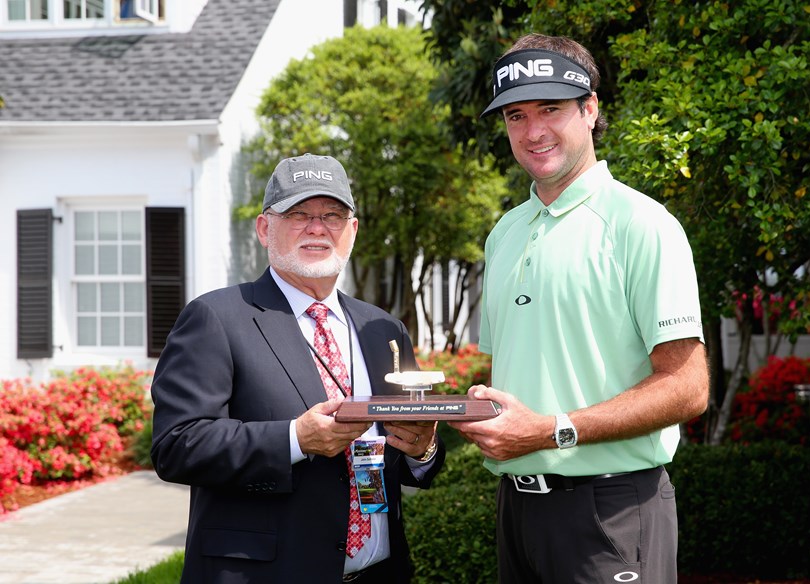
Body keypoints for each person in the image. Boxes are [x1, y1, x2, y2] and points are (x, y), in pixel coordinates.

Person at [448, 33, 710, 583]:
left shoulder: (642, 224)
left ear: (590, 109)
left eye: (551, 108)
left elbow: (688, 388)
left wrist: (552, 431)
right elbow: (526, 378)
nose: (533, 130)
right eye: (516, 115)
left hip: (612, 510)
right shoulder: (504, 234)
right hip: (515, 509)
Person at [151, 153, 444, 584]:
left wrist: (423, 449)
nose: (317, 228)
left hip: (380, 573)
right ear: (265, 228)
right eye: (299, 214)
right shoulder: (216, 317)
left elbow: (410, 457)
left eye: (332, 215)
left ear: (353, 231)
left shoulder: (383, 329)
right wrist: (294, 439)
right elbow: (176, 445)